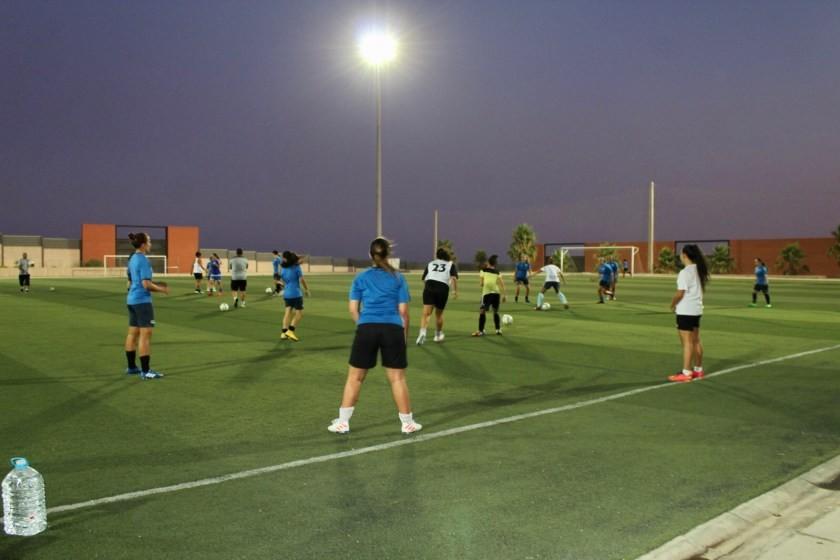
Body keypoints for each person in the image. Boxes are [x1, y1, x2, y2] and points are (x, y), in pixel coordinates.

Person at [327, 238, 421, 435]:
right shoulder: (398, 278)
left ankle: (343, 422)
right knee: (397, 378)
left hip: (366, 328)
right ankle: (407, 423)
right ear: (388, 254)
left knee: (355, 377)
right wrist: (404, 336)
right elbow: (403, 311)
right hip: (393, 329)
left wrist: (363, 325)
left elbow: (353, 309)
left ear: (371, 255)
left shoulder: (361, 278)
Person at [124, 232, 169, 379]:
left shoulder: (132, 258)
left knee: (132, 334)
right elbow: (146, 284)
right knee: (145, 336)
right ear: (143, 244)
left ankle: (131, 367)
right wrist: (161, 289)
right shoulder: (143, 260)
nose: (150, 243)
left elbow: (130, 281)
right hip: (142, 302)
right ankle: (146, 371)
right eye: (148, 241)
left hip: (131, 299)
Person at [667, 244, 710, 383]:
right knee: (696, 340)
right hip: (696, 310)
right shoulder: (699, 270)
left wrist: (672, 304)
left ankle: (686, 372)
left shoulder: (685, 272)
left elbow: (680, 293)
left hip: (685, 310)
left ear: (685, 255)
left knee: (687, 342)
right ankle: (698, 370)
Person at [416, 247, 459, 345]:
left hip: (429, 286)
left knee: (426, 313)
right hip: (442, 287)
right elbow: (453, 278)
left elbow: (424, 279)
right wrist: (455, 291)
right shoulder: (450, 264)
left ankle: (422, 334)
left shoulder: (431, 263)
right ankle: (438, 335)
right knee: (438, 314)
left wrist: (427, 289)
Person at [279, 251, 310, 341]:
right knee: (299, 314)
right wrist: (307, 290)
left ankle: (283, 333)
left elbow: (283, 282)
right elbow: (302, 280)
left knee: (287, 312)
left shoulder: (283, 269)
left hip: (287, 294)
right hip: (296, 294)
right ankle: (291, 331)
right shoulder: (297, 268)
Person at [473, 254, 506, 336]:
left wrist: (484, 283)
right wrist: (504, 295)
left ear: (488, 262)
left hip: (487, 294)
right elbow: (502, 284)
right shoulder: (497, 272)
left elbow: (481, 283)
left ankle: (481, 331)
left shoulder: (483, 270)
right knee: (495, 311)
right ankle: (498, 330)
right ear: (495, 264)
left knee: (482, 311)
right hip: (496, 294)